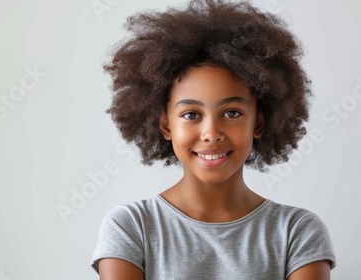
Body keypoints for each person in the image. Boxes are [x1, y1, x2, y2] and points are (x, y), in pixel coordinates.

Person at [91, 0, 336, 279]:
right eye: (191, 114)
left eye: (231, 112)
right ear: (165, 125)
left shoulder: (297, 232)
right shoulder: (131, 227)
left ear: (258, 122)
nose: (211, 132)